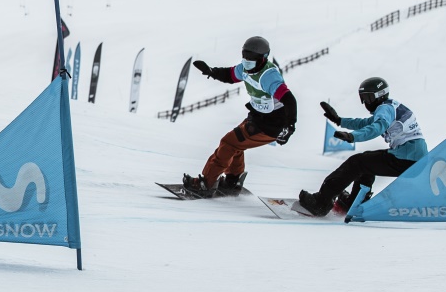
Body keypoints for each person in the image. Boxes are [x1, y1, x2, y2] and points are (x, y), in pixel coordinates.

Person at [182, 35, 298, 195]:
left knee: (229, 143)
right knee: (235, 144)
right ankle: (232, 180)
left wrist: (290, 126)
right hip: (257, 117)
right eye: (245, 55)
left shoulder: (268, 76)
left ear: (263, 58)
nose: (246, 60)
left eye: (251, 57)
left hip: (272, 124)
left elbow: (289, 100)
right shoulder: (245, 68)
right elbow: (230, 75)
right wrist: (211, 71)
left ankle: (205, 184)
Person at [298, 77, 427, 216]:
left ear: (380, 95)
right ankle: (353, 203)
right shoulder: (390, 106)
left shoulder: (385, 109)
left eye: (369, 98)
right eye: (363, 98)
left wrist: (353, 137)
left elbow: (376, 127)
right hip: (412, 157)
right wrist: (339, 120)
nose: (366, 102)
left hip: (407, 157)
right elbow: (366, 123)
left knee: (356, 162)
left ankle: (320, 203)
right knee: (365, 163)